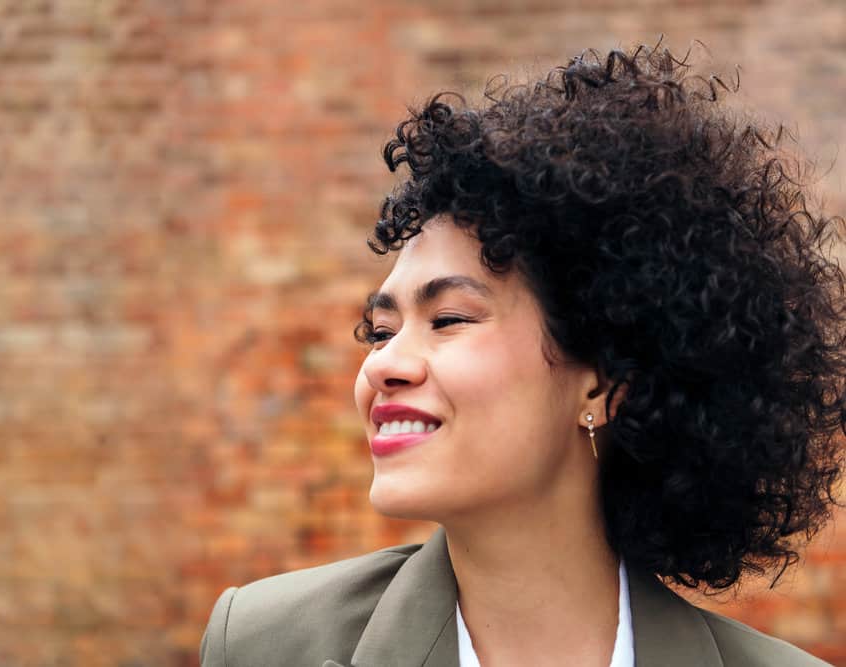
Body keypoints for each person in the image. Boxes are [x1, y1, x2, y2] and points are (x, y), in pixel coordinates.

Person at [200, 42, 846, 666]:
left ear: (604, 383)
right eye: (381, 328)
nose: (382, 364)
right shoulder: (263, 643)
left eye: (447, 318)